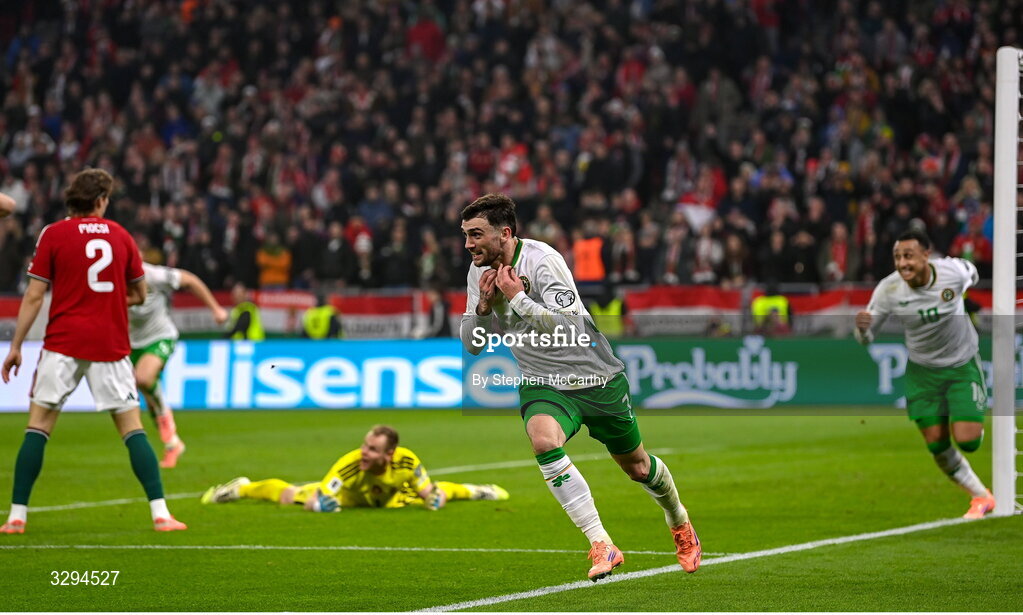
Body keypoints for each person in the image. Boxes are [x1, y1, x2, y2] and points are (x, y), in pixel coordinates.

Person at [458, 194, 701, 581]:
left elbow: (569, 328)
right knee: (543, 440)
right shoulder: (478, 273)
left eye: (476, 235)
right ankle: (601, 542)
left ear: (504, 233)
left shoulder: (543, 261)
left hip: (595, 377)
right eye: (466, 235)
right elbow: (472, 344)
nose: (468, 244)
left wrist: (517, 297)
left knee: (638, 468)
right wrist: (484, 308)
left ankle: (679, 522)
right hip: (543, 381)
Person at [0, 169, 186, 534]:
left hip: (63, 343)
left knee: (38, 428)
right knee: (132, 430)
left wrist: (17, 345)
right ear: (101, 200)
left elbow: (35, 295)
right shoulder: (120, 236)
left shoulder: (53, 234)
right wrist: (108, 299)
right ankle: (161, 514)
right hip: (110, 344)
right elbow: (139, 294)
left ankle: (16, 516)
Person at [855, 229, 996, 519]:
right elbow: (866, 339)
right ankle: (981, 496)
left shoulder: (952, 273)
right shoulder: (889, 289)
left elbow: (972, 273)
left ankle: (968, 412)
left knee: (968, 440)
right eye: (897, 257)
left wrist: (963, 298)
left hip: (960, 364)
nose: (903, 263)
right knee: (937, 443)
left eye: (908, 256)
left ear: (925, 255)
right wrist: (862, 329)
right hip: (922, 371)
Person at [200, 425, 509, 511]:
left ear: (389, 454)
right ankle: (240, 487)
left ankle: (478, 490)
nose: (363, 452)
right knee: (290, 496)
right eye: (364, 445)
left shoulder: (407, 461)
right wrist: (320, 505)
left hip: (390, 496)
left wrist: (433, 501)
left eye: (371, 449)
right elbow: (320, 498)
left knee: (442, 493)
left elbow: (428, 491)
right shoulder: (349, 466)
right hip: (352, 497)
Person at [129, 253, 229, 468]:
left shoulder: (154, 275)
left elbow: (190, 280)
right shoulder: (108, 280)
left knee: (144, 379)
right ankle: (172, 442)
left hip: (160, 336)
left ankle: (168, 433)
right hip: (128, 343)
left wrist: (216, 309)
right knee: (142, 394)